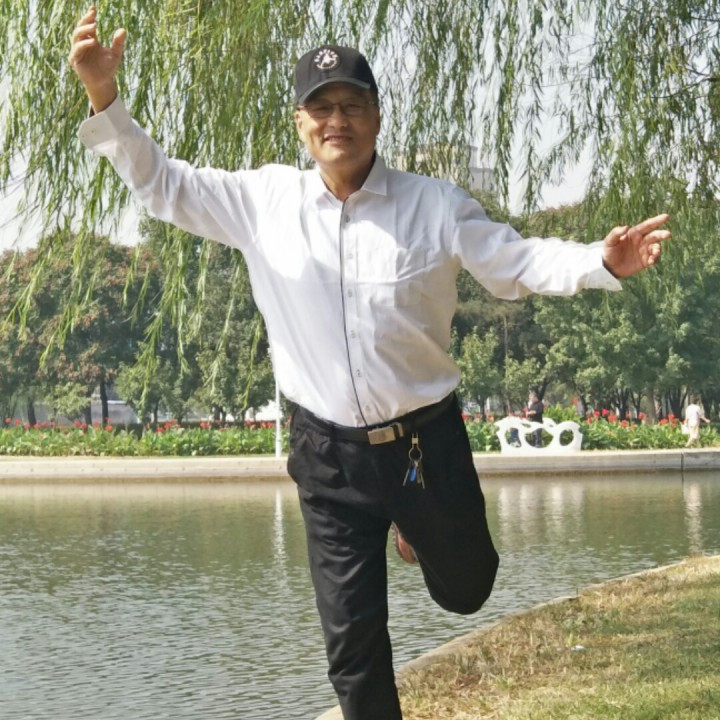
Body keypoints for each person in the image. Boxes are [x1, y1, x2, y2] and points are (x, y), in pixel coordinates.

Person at [68, 8, 671, 719]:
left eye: (352, 105)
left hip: (424, 441)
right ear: (299, 122)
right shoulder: (263, 203)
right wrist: (105, 95)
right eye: (321, 107)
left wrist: (600, 261)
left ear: (377, 116)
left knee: (468, 588)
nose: (337, 121)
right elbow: (162, 184)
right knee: (352, 649)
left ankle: (413, 525)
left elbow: (514, 261)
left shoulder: (434, 206)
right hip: (327, 454)